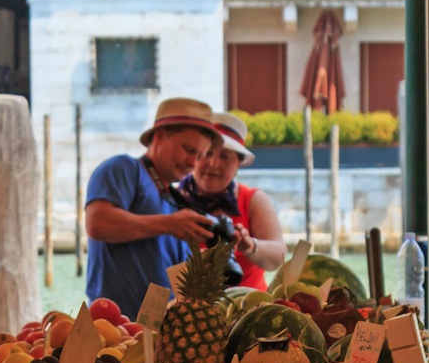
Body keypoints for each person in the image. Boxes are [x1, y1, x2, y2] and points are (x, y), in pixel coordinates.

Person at [84, 97, 220, 318]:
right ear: (160, 135)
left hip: (161, 331)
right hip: (114, 328)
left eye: (200, 156)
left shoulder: (176, 201)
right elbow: (98, 223)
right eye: (188, 149)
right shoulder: (123, 168)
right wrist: (169, 224)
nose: (192, 163)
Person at [175, 112, 285, 292]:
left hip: (247, 308)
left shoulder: (253, 200)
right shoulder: (172, 199)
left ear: (237, 165)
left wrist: (250, 246)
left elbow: (278, 256)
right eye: (207, 153)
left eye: (225, 157)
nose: (213, 164)